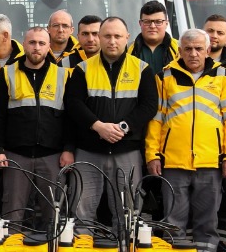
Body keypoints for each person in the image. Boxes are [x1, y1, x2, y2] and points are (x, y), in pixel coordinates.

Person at [146, 30, 226, 252]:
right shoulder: (165, 77)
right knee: (173, 219)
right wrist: (153, 155)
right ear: (179, 51)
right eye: (188, 49)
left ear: (208, 50)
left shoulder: (224, 76)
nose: (193, 53)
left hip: (210, 162)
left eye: (199, 48)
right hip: (174, 162)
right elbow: (156, 120)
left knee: (207, 221)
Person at [64, 17, 159, 230]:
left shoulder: (142, 69)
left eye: (117, 36)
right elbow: (73, 104)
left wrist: (123, 128)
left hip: (127, 150)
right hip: (89, 151)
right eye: (107, 36)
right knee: (81, 209)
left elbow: (150, 105)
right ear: (99, 38)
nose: (112, 41)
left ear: (127, 38)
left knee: (127, 211)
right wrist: (98, 126)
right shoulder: (83, 69)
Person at [0, 25, 71, 235]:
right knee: (12, 214)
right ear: (24, 44)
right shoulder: (7, 74)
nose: (36, 47)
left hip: (52, 157)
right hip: (16, 156)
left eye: (42, 43)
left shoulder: (63, 76)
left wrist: (69, 149)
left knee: (53, 214)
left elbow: (72, 118)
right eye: (32, 42)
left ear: (49, 47)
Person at [131, 1, 178, 78]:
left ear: (166, 23)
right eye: (147, 21)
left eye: (158, 22)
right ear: (140, 23)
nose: (152, 26)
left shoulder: (179, 50)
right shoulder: (128, 50)